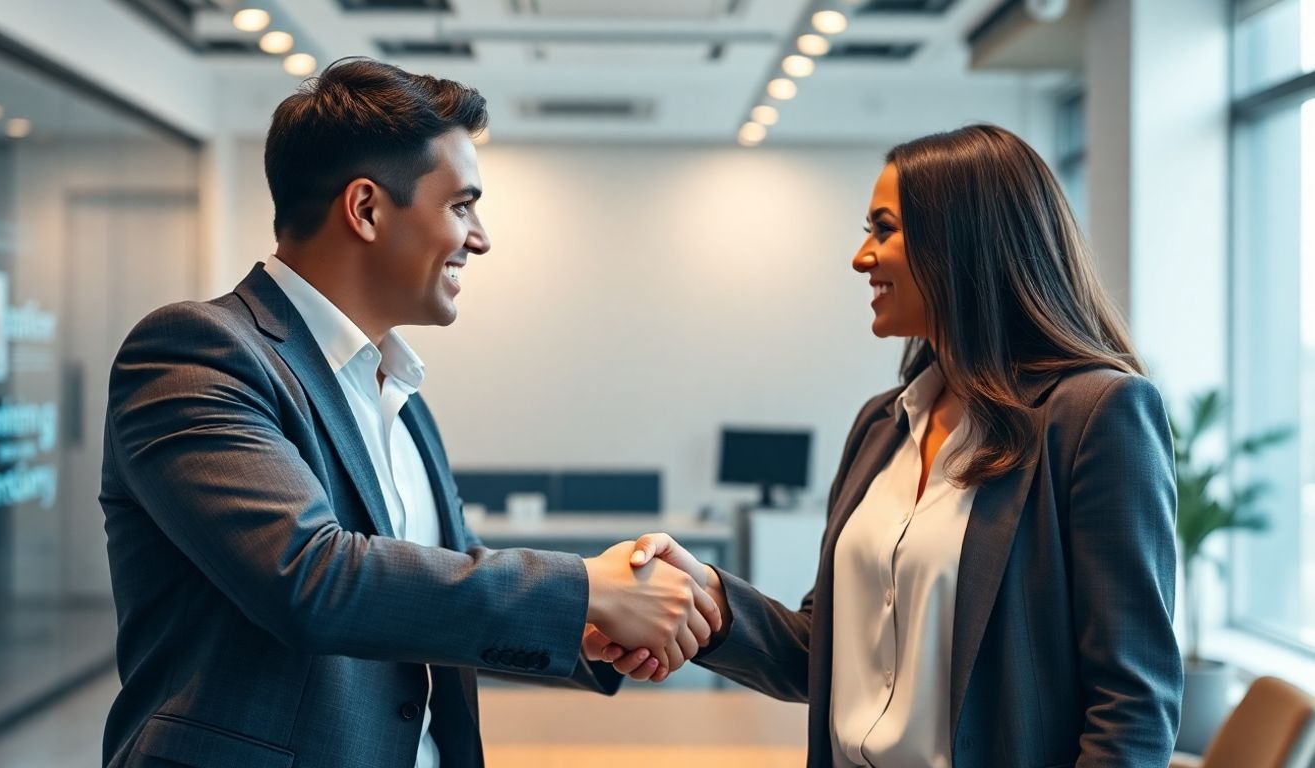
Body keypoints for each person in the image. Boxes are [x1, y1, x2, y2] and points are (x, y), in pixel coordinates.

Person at [99, 58, 719, 768]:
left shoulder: (398, 391)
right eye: (462, 206)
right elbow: (312, 577)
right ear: (365, 209)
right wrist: (582, 592)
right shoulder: (196, 352)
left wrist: (584, 628)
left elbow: (436, 583)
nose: (479, 238)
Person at [587, 124, 1184, 767]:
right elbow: (825, 651)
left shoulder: (1096, 415)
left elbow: (1133, 706)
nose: (860, 256)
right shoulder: (882, 426)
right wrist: (706, 597)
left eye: (883, 229)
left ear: (962, 240)